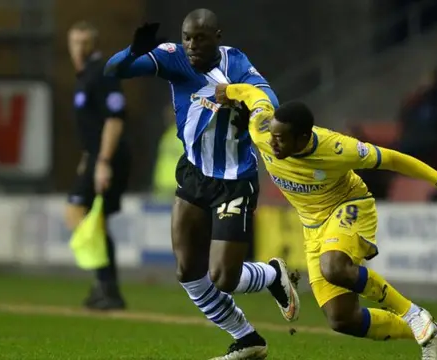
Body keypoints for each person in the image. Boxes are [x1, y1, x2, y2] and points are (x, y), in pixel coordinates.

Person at [216, 83, 437, 360]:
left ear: (304, 137)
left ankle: (413, 313)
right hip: (313, 227)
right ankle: (430, 333)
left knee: (333, 267)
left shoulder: (337, 148)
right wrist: (229, 89)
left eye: (281, 138)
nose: (272, 144)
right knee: (343, 319)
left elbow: (391, 158)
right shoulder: (262, 129)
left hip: (349, 205)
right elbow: (253, 94)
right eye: (273, 135)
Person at [105, 9, 299, 360]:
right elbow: (113, 70)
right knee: (188, 272)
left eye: (200, 38)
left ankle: (271, 274)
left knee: (224, 277)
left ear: (218, 37)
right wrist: (133, 51)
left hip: (234, 180)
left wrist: (251, 109)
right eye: (187, 37)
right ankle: (247, 339)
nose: (192, 45)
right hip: (194, 172)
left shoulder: (235, 65)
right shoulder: (172, 57)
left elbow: (269, 101)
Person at [64, 20, 131, 311]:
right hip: (95, 156)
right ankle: (105, 287)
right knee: (88, 217)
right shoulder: (84, 76)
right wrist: (88, 159)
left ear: (94, 44)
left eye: (84, 43)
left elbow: (114, 120)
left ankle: (107, 287)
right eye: (74, 42)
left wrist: (103, 161)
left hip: (109, 156)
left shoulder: (101, 73)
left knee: (78, 211)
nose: (78, 48)